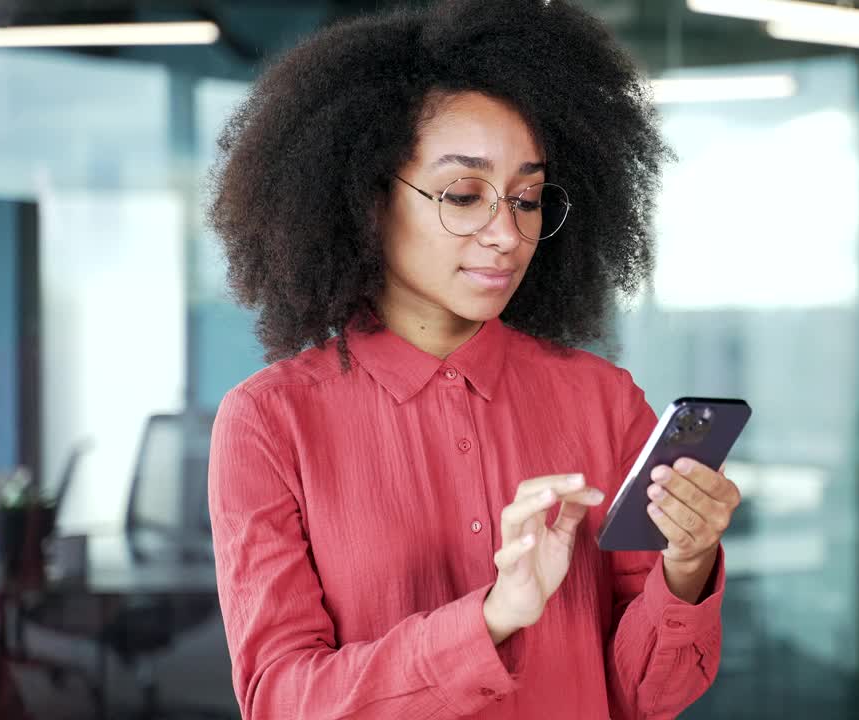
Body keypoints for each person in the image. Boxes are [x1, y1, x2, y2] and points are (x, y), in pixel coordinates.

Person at [205, 1, 742, 717]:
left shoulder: (603, 401)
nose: (507, 235)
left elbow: (648, 695)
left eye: (526, 198)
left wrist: (686, 566)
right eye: (464, 195)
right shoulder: (270, 423)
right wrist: (489, 618)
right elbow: (279, 700)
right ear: (367, 199)